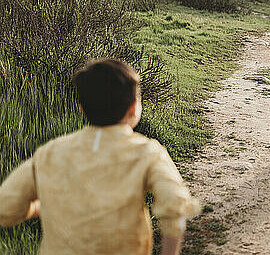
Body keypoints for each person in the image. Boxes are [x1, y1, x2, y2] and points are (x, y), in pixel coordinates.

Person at [0, 59, 199, 255]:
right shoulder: (147, 152)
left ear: (82, 109)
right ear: (134, 107)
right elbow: (175, 207)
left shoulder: (50, 153)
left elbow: (5, 208)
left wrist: (38, 208)